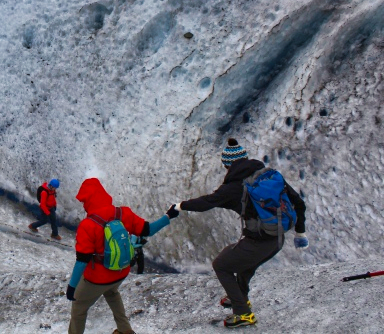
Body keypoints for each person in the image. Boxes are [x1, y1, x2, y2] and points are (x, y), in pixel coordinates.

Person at [171, 138, 308, 328]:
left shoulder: (234, 188)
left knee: (221, 265)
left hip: (259, 241)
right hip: (277, 239)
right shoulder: (269, 176)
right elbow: (298, 203)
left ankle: (243, 313)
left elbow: (206, 203)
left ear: (227, 165)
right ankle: (240, 297)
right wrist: (300, 233)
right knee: (243, 264)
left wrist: (180, 205)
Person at [67, 177, 178, 334]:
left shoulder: (88, 225)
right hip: (121, 272)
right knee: (112, 292)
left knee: (79, 308)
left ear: (88, 200)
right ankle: (125, 330)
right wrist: (168, 216)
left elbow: (82, 261)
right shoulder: (123, 213)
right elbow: (148, 230)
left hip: (97, 279)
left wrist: (72, 287)